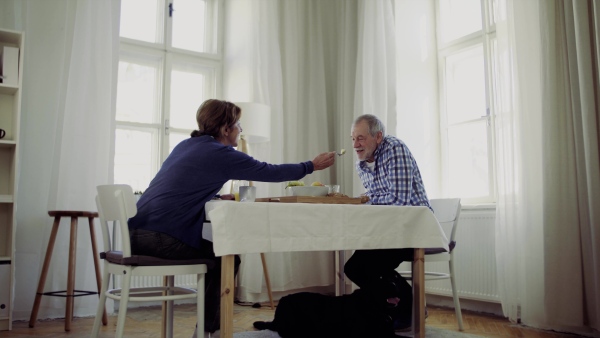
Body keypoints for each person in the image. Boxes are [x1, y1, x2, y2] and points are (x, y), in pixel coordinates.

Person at [128, 99, 336, 334]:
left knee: (219, 254)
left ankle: (208, 329)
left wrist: (214, 195)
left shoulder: (186, 145)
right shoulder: (222, 153)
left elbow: (180, 185)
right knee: (226, 257)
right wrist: (311, 165)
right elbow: (268, 171)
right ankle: (210, 331)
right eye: (238, 124)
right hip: (161, 238)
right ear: (225, 129)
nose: (241, 130)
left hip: (135, 235)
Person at [344, 114, 431, 331]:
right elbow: (375, 199)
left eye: (361, 138)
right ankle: (409, 304)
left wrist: (366, 200)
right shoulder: (362, 163)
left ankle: (409, 308)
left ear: (379, 136)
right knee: (353, 268)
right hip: (387, 231)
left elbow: (398, 201)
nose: (355, 145)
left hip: (414, 229)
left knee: (366, 267)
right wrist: (364, 201)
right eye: (353, 138)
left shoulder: (394, 149)